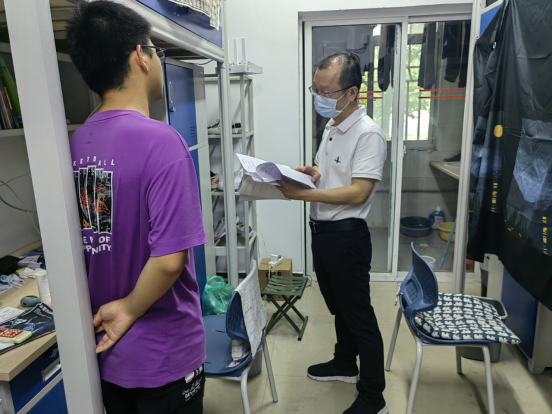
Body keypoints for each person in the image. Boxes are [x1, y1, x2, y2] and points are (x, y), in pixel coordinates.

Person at [66, 2, 207, 413]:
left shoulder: (77, 143)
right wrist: (128, 310)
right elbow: (169, 260)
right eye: (156, 50)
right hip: (164, 352)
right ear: (140, 57)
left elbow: (98, 233)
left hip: (108, 353)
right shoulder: (161, 142)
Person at [277, 52, 388, 414]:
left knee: (358, 314)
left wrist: (304, 195)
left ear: (352, 92)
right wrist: (311, 173)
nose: (319, 97)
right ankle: (344, 362)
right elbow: (331, 173)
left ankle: (373, 395)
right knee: (339, 306)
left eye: (326, 91)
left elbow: (358, 192)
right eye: (315, 89)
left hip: (346, 236)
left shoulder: (368, 134)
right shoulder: (332, 126)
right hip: (323, 231)